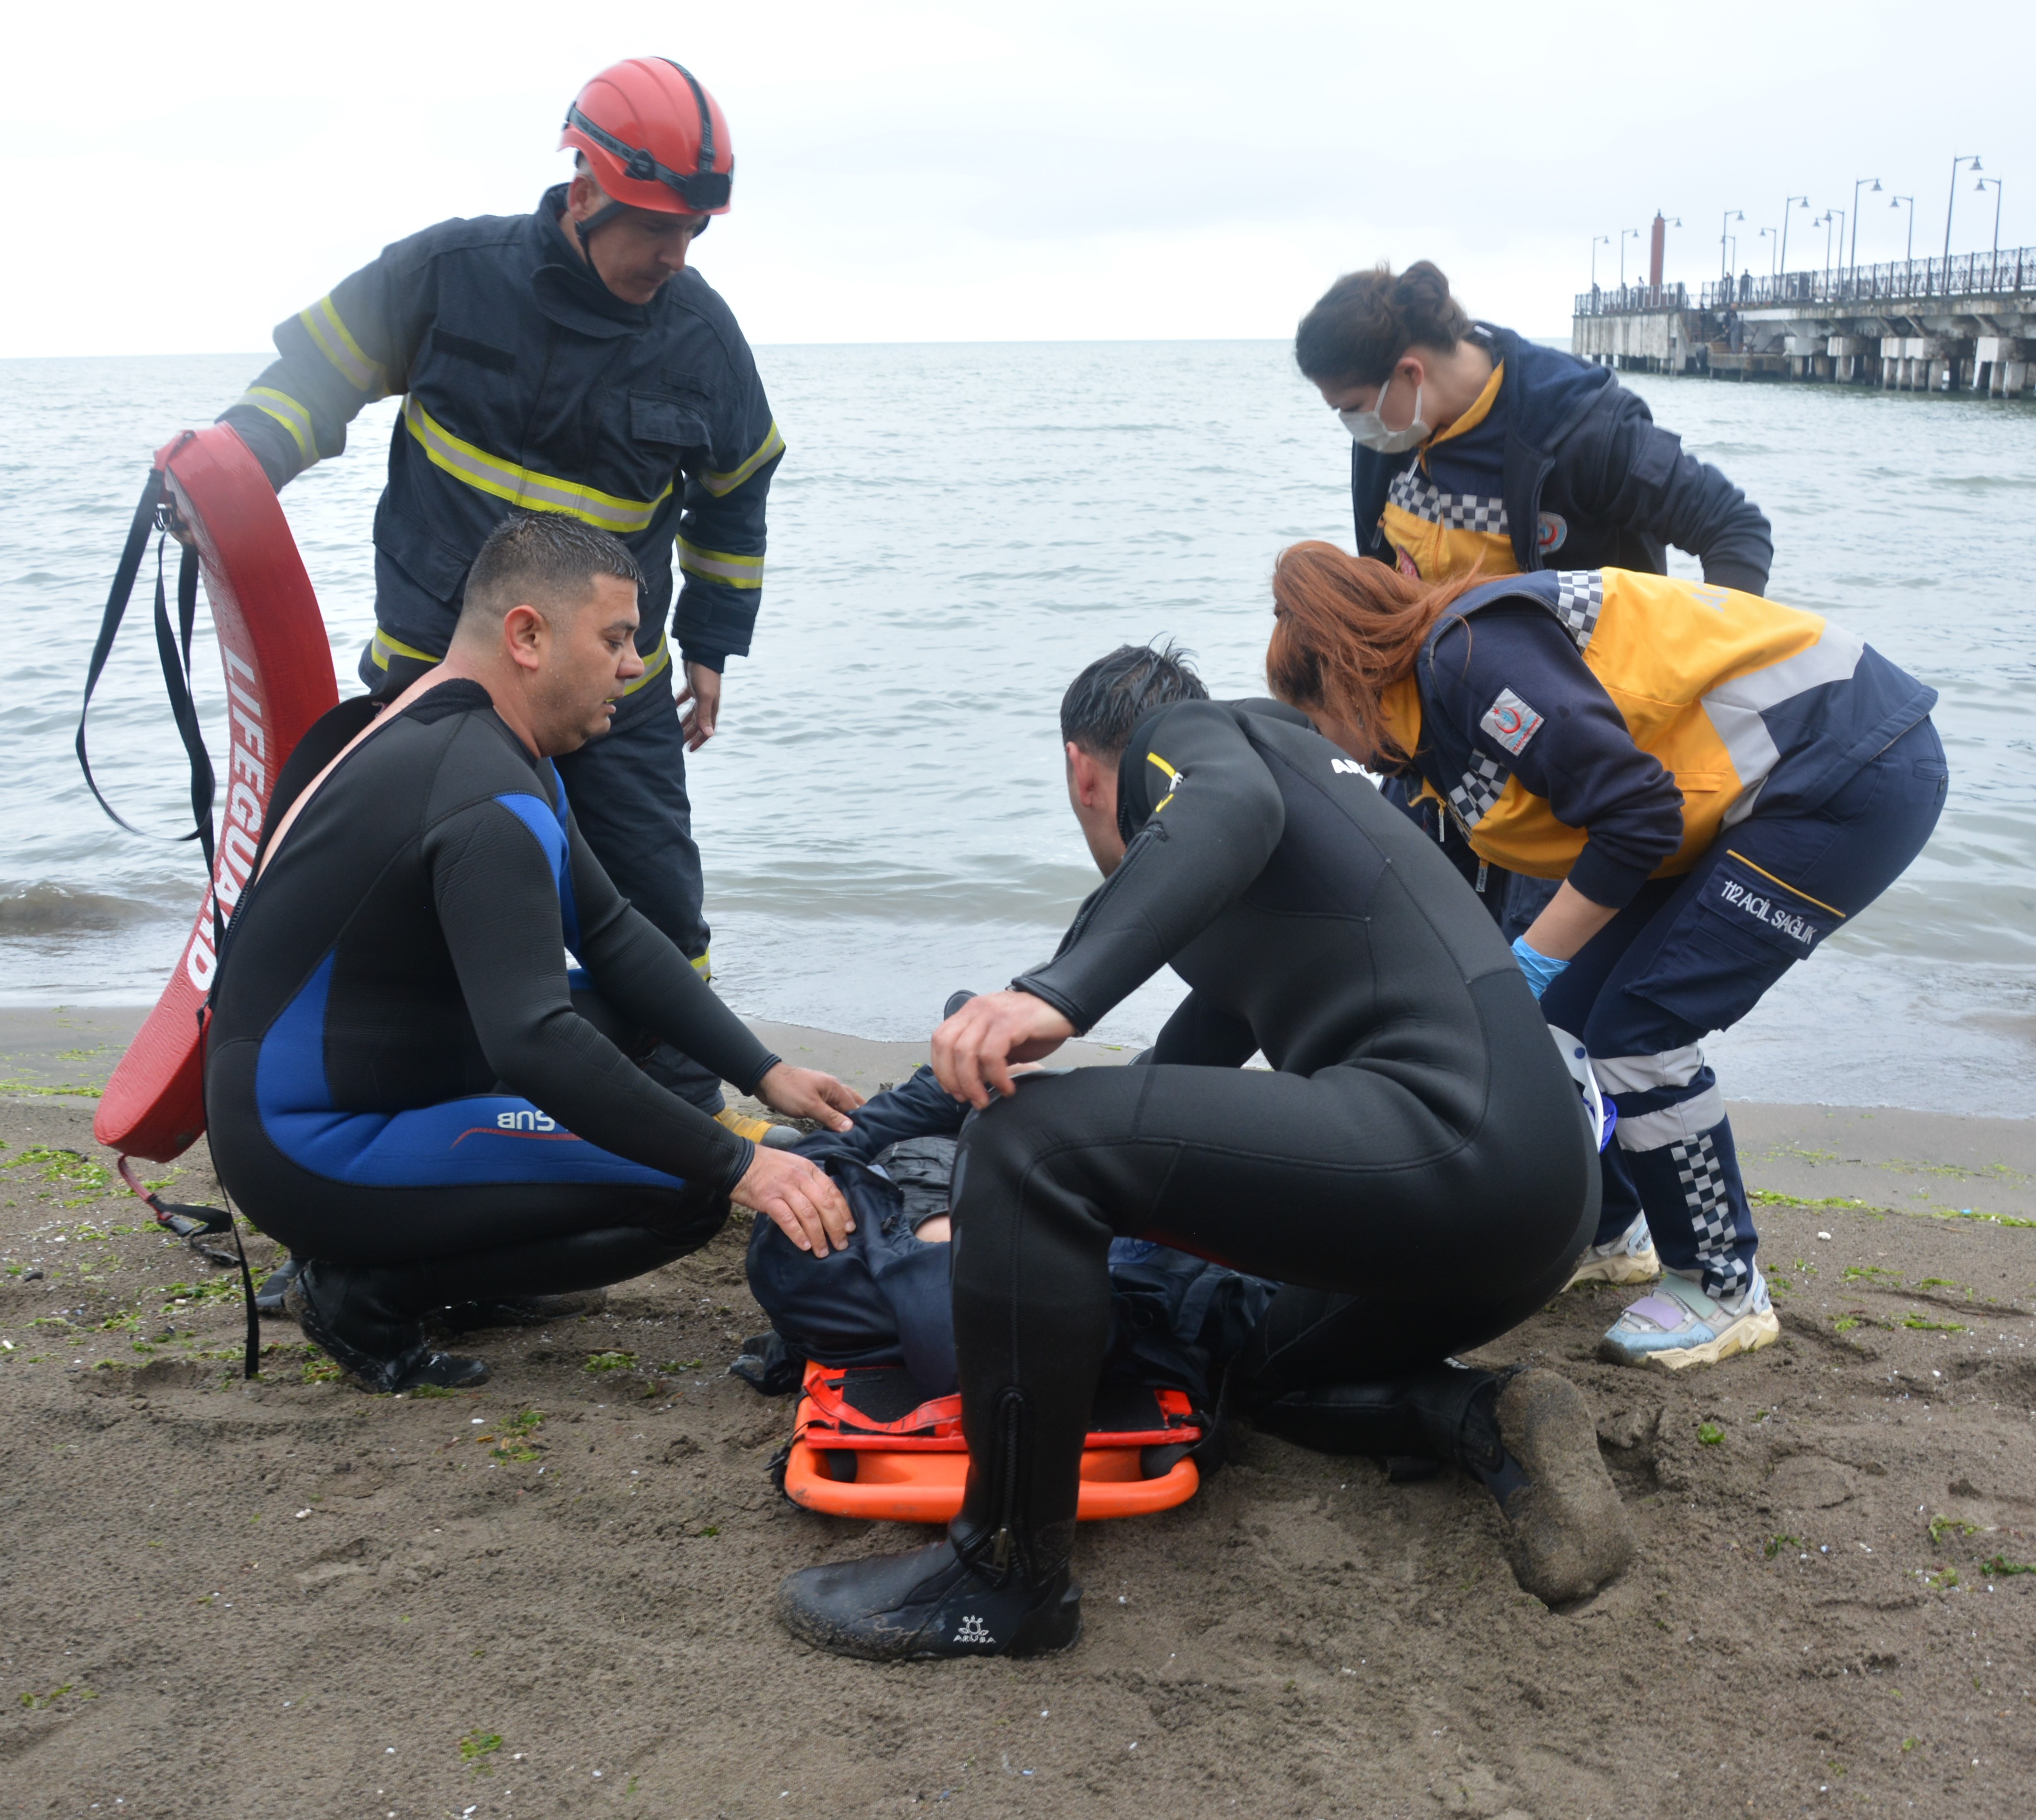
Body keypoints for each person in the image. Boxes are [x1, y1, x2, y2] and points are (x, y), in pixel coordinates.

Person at [774, 643, 1636, 1662]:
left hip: (1454, 1144)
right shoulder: (1292, 843)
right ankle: (1480, 1412)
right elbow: (1165, 1097)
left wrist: (1059, 990)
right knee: (1250, 1366)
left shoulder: (1204, 740)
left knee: (1027, 1150)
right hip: (1536, 1207)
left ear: (1083, 771)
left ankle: (1004, 1574)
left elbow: (1224, 806)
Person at [215, 56, 783, 1133]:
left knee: (656, 901)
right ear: (584, 192)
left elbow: (739, 484)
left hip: (608, 687)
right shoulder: (449, 273)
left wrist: (710, 640)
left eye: (696, 233)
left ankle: (681, 1103)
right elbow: (309, 382)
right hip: (435, 676)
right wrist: (231, 466)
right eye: (657, 227)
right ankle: (411, 1097)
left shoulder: (702, 339)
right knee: (405, 905)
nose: (676, 254)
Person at [203, 513, 862, 1394]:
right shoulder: (483, 796)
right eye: (618, 638)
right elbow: (533, 1040)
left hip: (334, 1083)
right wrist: (740, 1162)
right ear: (527, 636)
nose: (635, 665)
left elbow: (617, 935)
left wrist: (766, 1071)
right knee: (688, 1191)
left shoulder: (481, 741)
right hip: (312, 1147)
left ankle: (448, 1252)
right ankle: (369, 1289)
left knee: (633, 1017)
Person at [1260, 544, 1945, 1375]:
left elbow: (1637, 816)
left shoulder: (1471, 661)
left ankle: (1723, 1285)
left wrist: (1532, 959)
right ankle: (1615, 1229)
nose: (1337, 751)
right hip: (1737, 800)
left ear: (1339, 680)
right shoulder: (1421, 734)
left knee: (1640, 1031)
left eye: (1315, 722)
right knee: (1565, 1021)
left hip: (1846, 767)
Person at [1296, 260, 1774, 594]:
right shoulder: (1392, 431)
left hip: (1572, 707)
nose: (1352, 425)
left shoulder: (1584, 429)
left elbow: (1733, 526)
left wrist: (1707, 669)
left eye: (1352, 407)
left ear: (1410, 373)